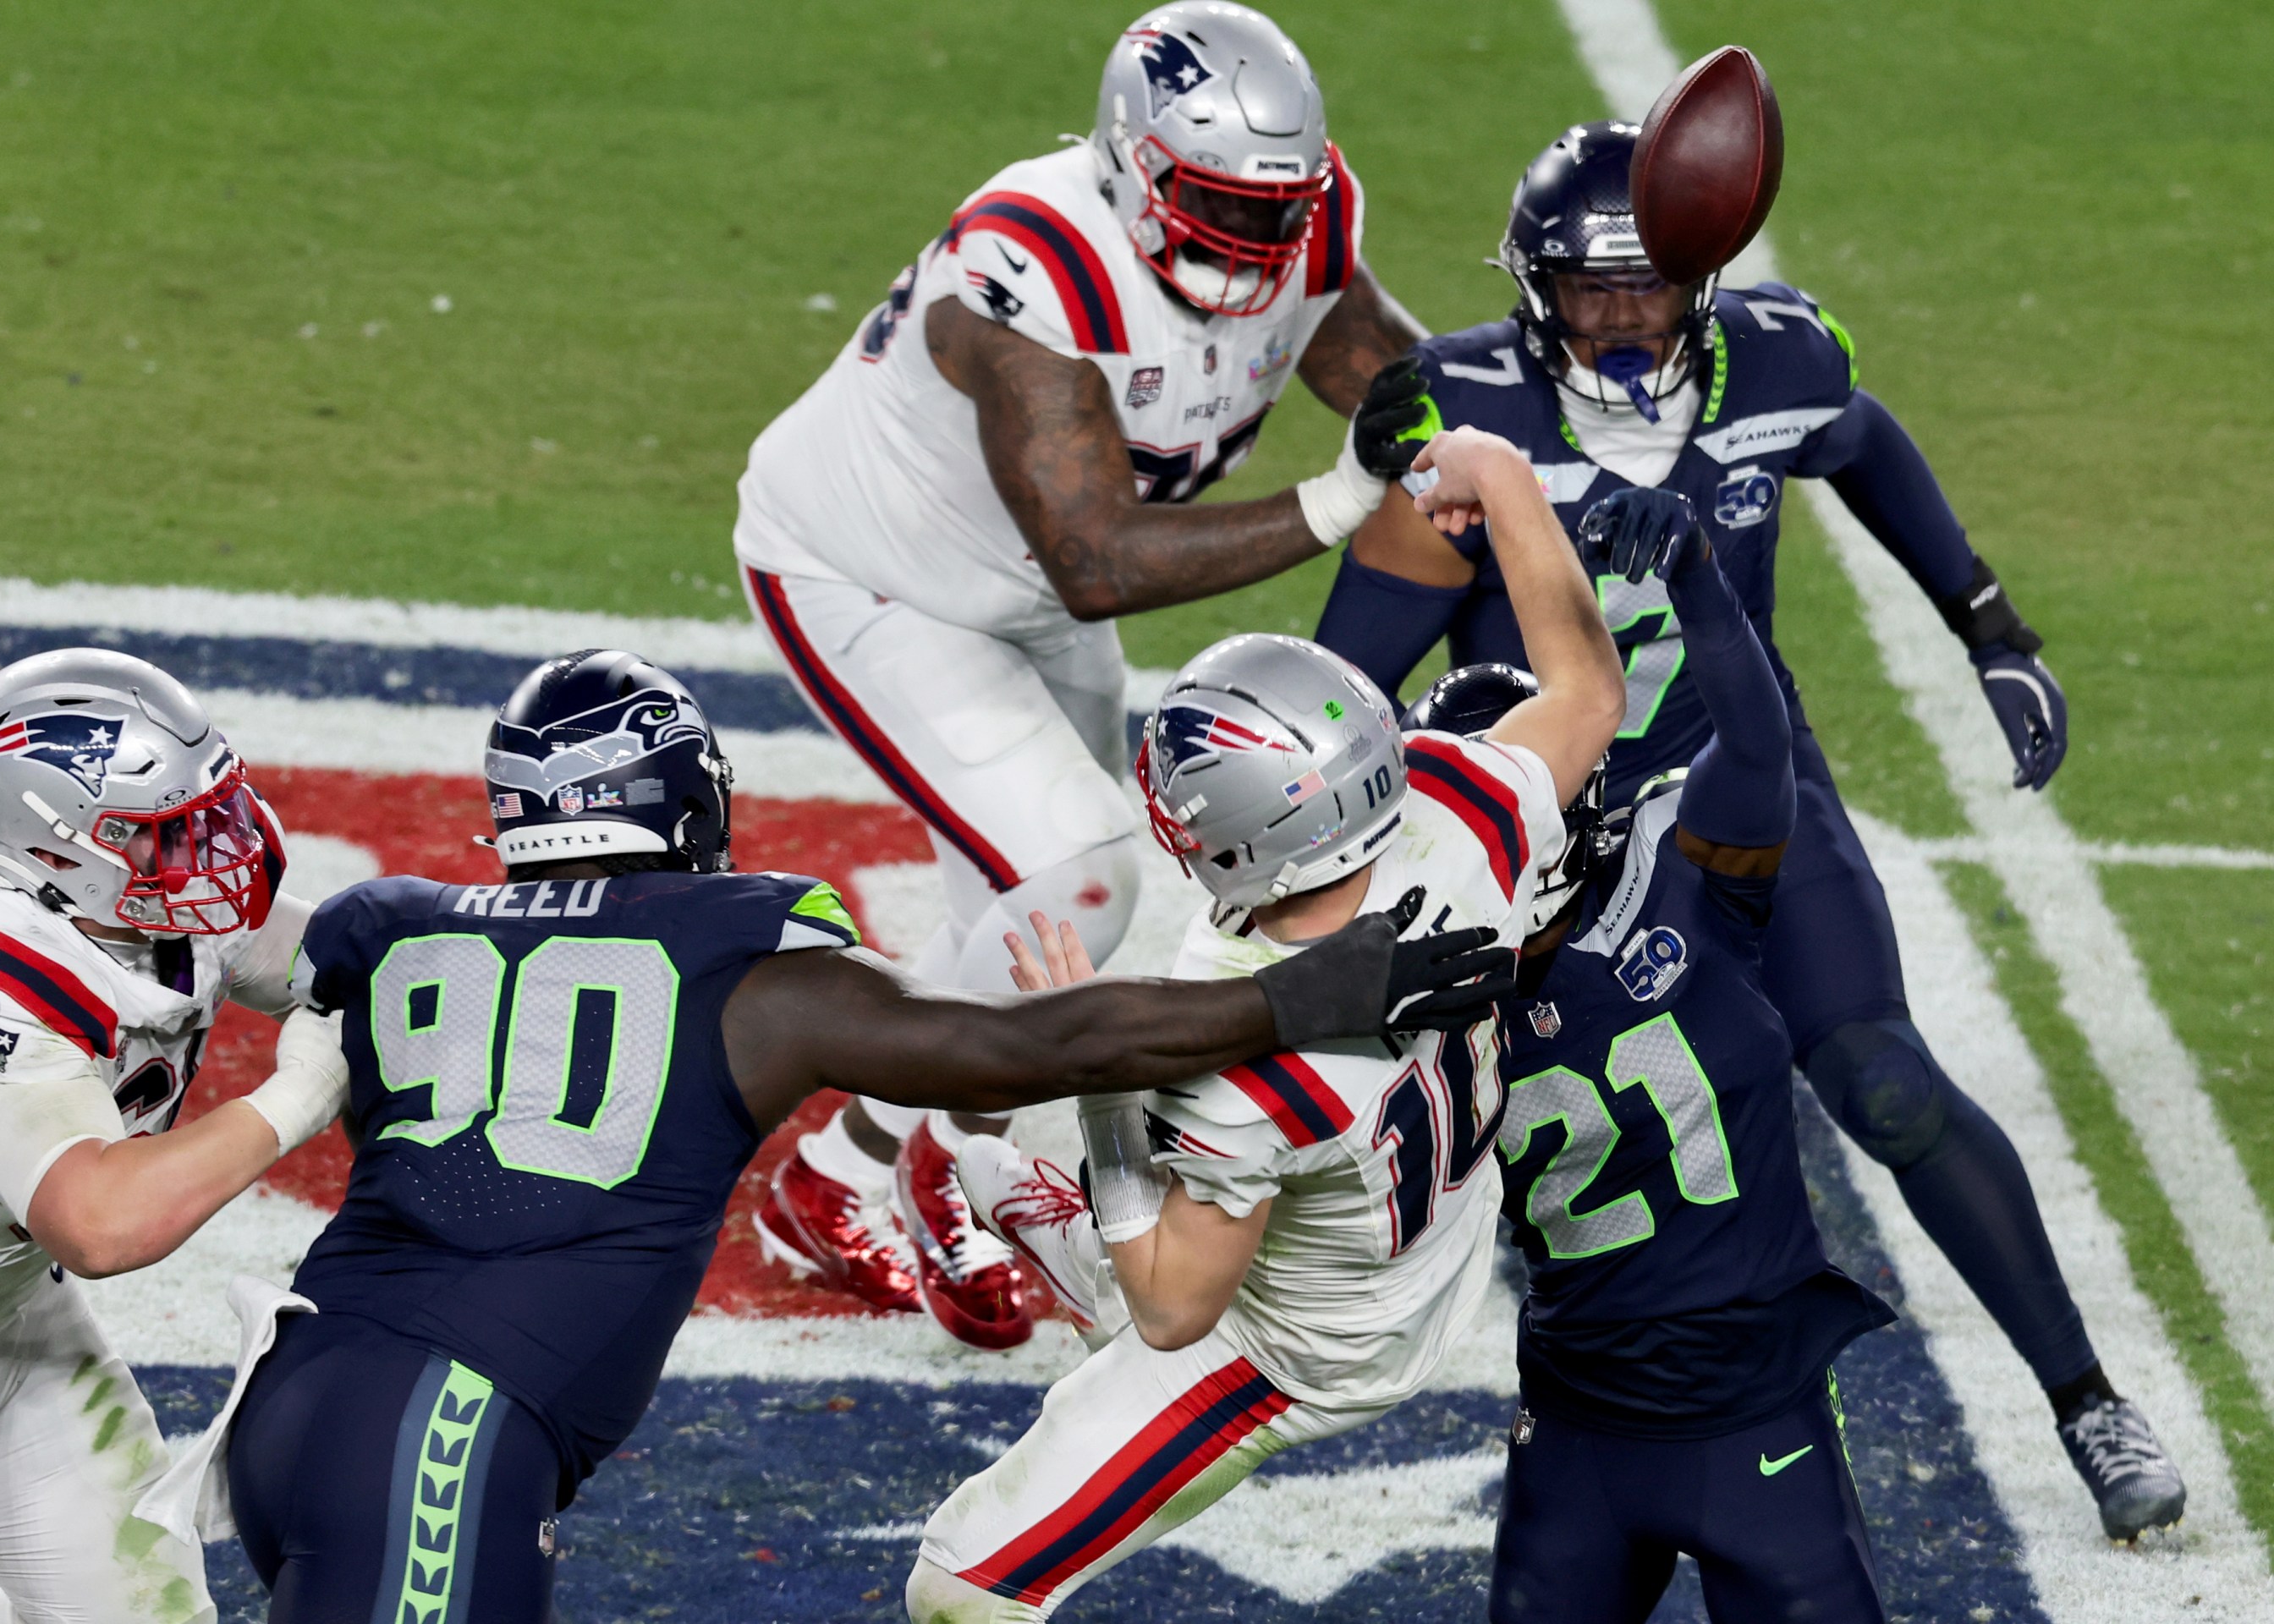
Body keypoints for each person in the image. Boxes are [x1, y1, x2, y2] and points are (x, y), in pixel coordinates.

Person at [195, 646, 1509, 1624]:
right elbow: (1023, 1051)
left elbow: (243, 946)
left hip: (299, 1395)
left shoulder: (399, 919)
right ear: (689, 799)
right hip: (447, 1429)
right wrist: (1303, 995)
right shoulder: (754, 964)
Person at [1309, 121, 2184, 1539]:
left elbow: (1863, 439)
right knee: (1540, 1147)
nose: (1619, 316)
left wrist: (1990, 627)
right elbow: (1352, 676)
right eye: (1588, 289)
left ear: (1699, 276)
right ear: (1533, 288)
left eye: (1647, 285)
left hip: (1740, 788)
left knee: (1887, 1086)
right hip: (1553, 838)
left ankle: (2088, 1399)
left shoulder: (1778, 358)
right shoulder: (1455, 416)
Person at [733, 1, 1429, 1347]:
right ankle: (953, 1143)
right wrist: (1343, 500)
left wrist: (1496, 427)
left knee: (1027, 897)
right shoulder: (1032, 265)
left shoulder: (1307, 221)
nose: (1247, 241)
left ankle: (842, 1172)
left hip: (1019, 589)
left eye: (1266, 209)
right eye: (1212, 201)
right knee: (1088, 879)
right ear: (1130, 162)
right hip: (872, 576)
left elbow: (1391, 374)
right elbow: (1096, 560)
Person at [904, 424, 1625, 1621]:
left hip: (1297, 1347)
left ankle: (1033, 1206)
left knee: (964, 1585)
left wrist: (1105, 1075)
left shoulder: (1241, 1072)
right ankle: (1025, 1191)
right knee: (1052, 1148)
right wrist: (1503, 478)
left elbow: (1178, 1309)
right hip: (1433, 1238)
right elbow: (1588, 686)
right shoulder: (1472, 806)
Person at [1425, 487, 1893, 1621]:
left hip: (1695, 1419)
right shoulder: (1432, 987)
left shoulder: (1431, 989)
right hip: (1596, 1416)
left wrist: (1698, 576)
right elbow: (1755, 737)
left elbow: (1754, 738)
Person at [0, 649, 349, 1624]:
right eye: (167, 831)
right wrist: (299, 1095)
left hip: (14, 1313)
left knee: (145, 1608)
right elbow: (100, 1225)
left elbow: (336, 954)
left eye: (213, 808)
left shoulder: (121, 894)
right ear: (57, 846)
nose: (214, 846)